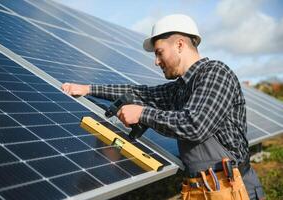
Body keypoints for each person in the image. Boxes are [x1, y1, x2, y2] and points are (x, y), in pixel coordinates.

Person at [62, 14, 265, 200]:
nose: (156, 61)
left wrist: (142, 113)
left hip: (234, 189)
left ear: (179, 45)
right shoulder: (179, 88)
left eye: (159, 53)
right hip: (200, 190)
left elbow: (195, 125)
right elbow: (140, 93)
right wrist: (87, 88)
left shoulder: (216, 73)